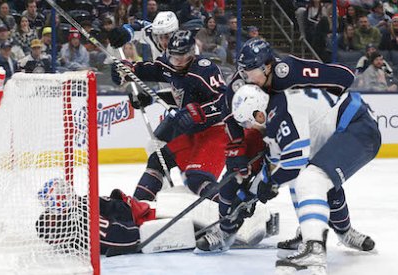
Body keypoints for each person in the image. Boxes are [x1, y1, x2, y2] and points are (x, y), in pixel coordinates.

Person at [195, 38, 373, 253]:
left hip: (294, 125)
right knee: (234, 179)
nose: (245, 77)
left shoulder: (288, 73)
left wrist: (324, 105)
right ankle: (224, 231)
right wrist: (237, 148)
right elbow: (231, 117)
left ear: (268, 66)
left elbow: (344, 77)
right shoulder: (240, 84)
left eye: (250, 71)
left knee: (313, 177)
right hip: (256, 126)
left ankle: (340, 231)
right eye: (242, 71)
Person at [230, 84, 381, 273]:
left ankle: (314, 248)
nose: (248, 128)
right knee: (310, 178)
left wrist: (270, 184)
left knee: (310, 179)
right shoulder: (273, 117)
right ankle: (338, 233)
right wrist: (247, 197)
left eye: (247, 123)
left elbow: (293, 163)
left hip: (357, 124)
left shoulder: (280, 113)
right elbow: (275, 167)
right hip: (343, 129)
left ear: (258, 113)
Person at [111, 30, 228, 202]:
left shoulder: (204, 70)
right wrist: (128, 70)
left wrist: (199, 113)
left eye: (181, 58)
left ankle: (226, 213)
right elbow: (149, 71)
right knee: (157, 160)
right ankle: (136, 210)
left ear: (191, 54)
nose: (177, 63)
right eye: (173, 58)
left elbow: (225, 101)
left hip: (216, 133)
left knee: (197, 179)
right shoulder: (170, 65)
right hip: (193, 135)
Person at [35, 178, 154, 255]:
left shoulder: (84, 222)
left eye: (49, 208)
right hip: (138, 212)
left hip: (144, 217)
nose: (47, 213)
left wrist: (149, 231)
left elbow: (127, 237)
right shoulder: (81, 209)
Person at [108, 11, 179, 61]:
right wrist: (127, 31)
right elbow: (141, 27)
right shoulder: (152, 35)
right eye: (160, 37)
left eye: (167, 37)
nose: (163, 42)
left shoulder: (186, 45)